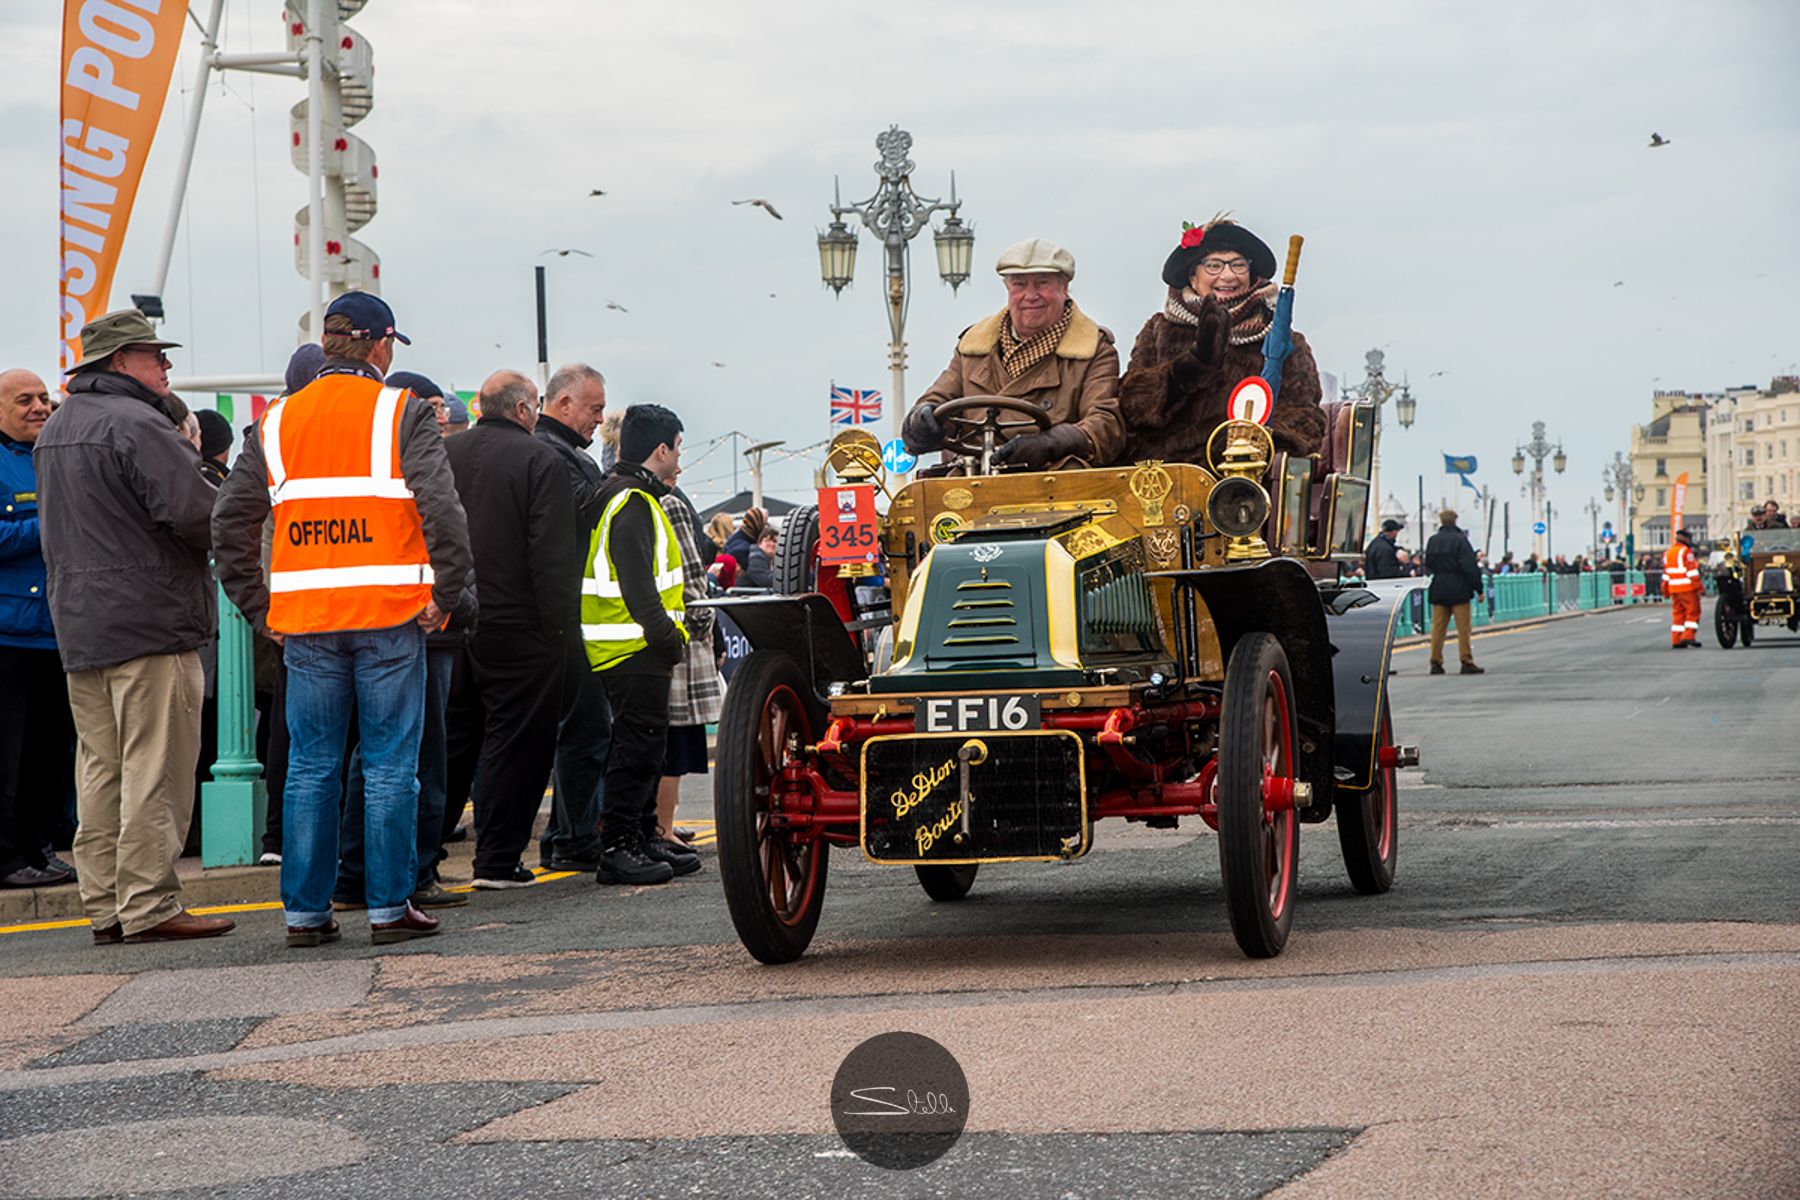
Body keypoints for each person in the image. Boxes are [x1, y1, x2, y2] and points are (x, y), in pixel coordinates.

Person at [213, 291, 472, 947]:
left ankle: (305, 914)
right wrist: (444, 594)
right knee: (388, 766)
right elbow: (444, 515)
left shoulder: (275, 422)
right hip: (389, 616)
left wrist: (257, 606)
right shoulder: (401, 413)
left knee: (311, 767)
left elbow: (229, 523)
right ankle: (389, 909)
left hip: (306, 622)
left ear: (328, 345)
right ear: (381, 346)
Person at [35, 309, 233, 943]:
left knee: (101, 769)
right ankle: (149, 903)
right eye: (157, 357)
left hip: (82, 623)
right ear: (121, 363)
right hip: (151, 618)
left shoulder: (60, 425)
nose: (167, 367)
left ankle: (107, 906)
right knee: (158, 768)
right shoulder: (138, 423)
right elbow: (198, 515)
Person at [443, 370, 579, 887]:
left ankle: (423, 855)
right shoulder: (539, 459)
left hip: (454, 619)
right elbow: (550, 553)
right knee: (516, 742)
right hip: (520, 623)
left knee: (454, 740)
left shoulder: (448, 454)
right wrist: (558, 625)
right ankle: (497, 859)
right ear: (524, 410)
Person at [582, 403, 697, 884]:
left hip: (628, 647)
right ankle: (619, 846)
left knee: (646, 748)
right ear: (661, 449)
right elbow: (637, 584)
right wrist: (666, 638)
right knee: (637, 749)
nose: (679, 460)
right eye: (677, 449)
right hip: (632, 649)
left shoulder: (620, 494)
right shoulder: (632, 501)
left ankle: (643, 834)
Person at [903, 238, 1124, 470]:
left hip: (1054, 484)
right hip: (974, 478)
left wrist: (1052, 442)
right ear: (1008, 288)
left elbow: (1106, 425)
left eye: (1042, 283)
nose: (1031, 295)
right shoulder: (973, 346)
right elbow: (939, 400)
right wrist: (921, 420)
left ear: (1064, 287)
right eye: (1019, 284)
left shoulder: (1093, 349)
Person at [1117, 218, 1325, 465]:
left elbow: (1306, 420)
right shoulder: (1159, 330)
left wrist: (1244, 443)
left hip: (1240, 481)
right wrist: (1191, 368)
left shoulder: (1284, 342)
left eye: (1238, 265)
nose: (1227, 276)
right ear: (1192, 277)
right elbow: (1133, 406)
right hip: (1163, 475)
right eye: (1213, 265)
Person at [0, 368, 77, 890]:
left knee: (51, 753)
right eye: (24, 399)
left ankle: (39, 849)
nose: (39, 407)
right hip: (9, 634)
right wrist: (53, 524)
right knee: (10, 755)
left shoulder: (55, 457)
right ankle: (6, 859)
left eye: (45, 398)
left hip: (58, 630)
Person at [534, 363, 612, 872]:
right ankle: (575, 836)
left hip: (563, 613)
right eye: (594, 409)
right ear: (564, 404)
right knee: (584, 731)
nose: (599, 421)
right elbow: (577, 517)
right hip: (570, 615)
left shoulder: (555, 451)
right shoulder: (553, 455)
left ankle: (569, 833)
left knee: (578, 731)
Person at [654, 486, 721, 869]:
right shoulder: (671, 503)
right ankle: (663, 827)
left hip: (645, 638)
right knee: (673, 741)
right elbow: (692, 577)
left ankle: (664, 824)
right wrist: (705, 622)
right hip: (679, 637)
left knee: (661, 740)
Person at [1424, 509, 1485, 675]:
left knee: (1437, 628)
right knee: (1463, 628)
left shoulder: (1433, 540)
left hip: (1439, 586)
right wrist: (1478, 588)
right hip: (1459, 587)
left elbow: (1428, 563)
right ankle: (1466, 661)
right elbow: (1469, 567)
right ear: (1455, 522)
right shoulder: (1460, 540)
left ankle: (1435, 662)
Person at [1662, 528, 1703, 648]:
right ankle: (1688, 636)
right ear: (1686, 538)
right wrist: (1699, 588)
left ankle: (1676, 639)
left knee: (1678, 614)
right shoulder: (1686, 552)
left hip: (1673, 589)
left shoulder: (1668, 552)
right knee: (1692, 612)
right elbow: (1692, 572)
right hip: (1687, 588)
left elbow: (1665, 574)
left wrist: (1665, 590)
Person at [742, 524, 777, 589]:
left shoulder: (777, 561)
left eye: (775, 541)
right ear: (759, 543)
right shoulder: (755, 557)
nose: (772, 544)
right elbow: (764, 580)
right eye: (767, 540)